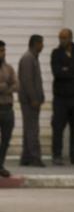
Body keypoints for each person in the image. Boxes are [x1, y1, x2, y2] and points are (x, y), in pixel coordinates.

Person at [50, 28, 74, 165]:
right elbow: (57, 72)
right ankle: (57, 155)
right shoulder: (56, 53)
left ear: (71, 38)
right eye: (60, 38)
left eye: (64, 38)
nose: (62, 40)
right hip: (61, 97)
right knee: (58, 126)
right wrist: (73, 72)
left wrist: (67, 69)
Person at [18, 35, 45, 167]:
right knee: (32, 129)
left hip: (32, 100)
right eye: (41, 43)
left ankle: (26, 157)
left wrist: (41, 96)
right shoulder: (28, 58)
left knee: (29, 129)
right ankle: (34, 157)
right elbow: (27, 81)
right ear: (36, 44)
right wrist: (34, 98)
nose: (43, 46)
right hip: (29, 101)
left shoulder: (33, 58)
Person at [0, 40, 17, 178]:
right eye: (0, 50)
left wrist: (5, 88)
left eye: (4, 50)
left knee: (6, 139)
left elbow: (16, 85)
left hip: (7, 108)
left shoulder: (9, 68)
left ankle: (0, 165)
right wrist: (4, 86)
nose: (3, 53)